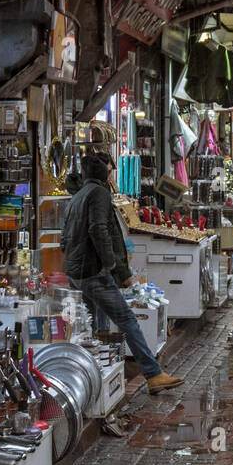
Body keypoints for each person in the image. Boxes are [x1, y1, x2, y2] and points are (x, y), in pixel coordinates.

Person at [62, 155, 184, 394]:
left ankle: (92, 375)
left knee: (92, 325)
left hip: (76, 270)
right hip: (93, 271)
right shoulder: (98, 194)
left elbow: (65, 236)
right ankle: (153, 373)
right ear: (106, 176)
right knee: (127, 319)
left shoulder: (77, 196)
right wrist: (109, 263)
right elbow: (99, 229)